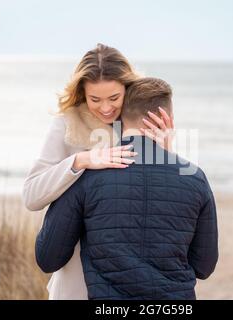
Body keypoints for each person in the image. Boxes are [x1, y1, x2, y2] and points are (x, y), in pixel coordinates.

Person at [35, 77, 219, 300]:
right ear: (167, 120)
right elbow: (204, 266)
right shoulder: (195, 179)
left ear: (120, 116)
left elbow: (48, 258)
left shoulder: (88, 175)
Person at [22, 44, 173, 299]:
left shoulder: (142, 119)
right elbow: (31, 196)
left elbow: (163, 203)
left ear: (127, 88)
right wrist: (81, 161)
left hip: (135, 275)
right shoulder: (66, 123)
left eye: (114, 98)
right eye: (95, 99)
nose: (105, 108)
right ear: (82, 93)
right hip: (77, 277)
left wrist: (166, 151)